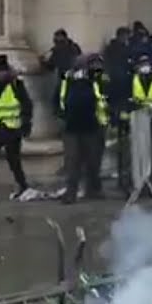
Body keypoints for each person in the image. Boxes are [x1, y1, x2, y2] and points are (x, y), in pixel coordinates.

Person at [0, 55, 34, 201]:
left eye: (1, 72)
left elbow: (26, 104)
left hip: (12, 128)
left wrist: (26, 124)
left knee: (14, 161)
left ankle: (23, 186)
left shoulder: (16, 84)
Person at [58, 53, 108, 203]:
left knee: (93, 161)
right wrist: (62, 114)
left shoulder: (96, 80)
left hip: (92, 125)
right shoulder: (67, 80)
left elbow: (102, 98)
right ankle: (71, 192)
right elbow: (59, 98)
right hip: (72, 127)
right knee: (73, 162)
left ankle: (93, 189)